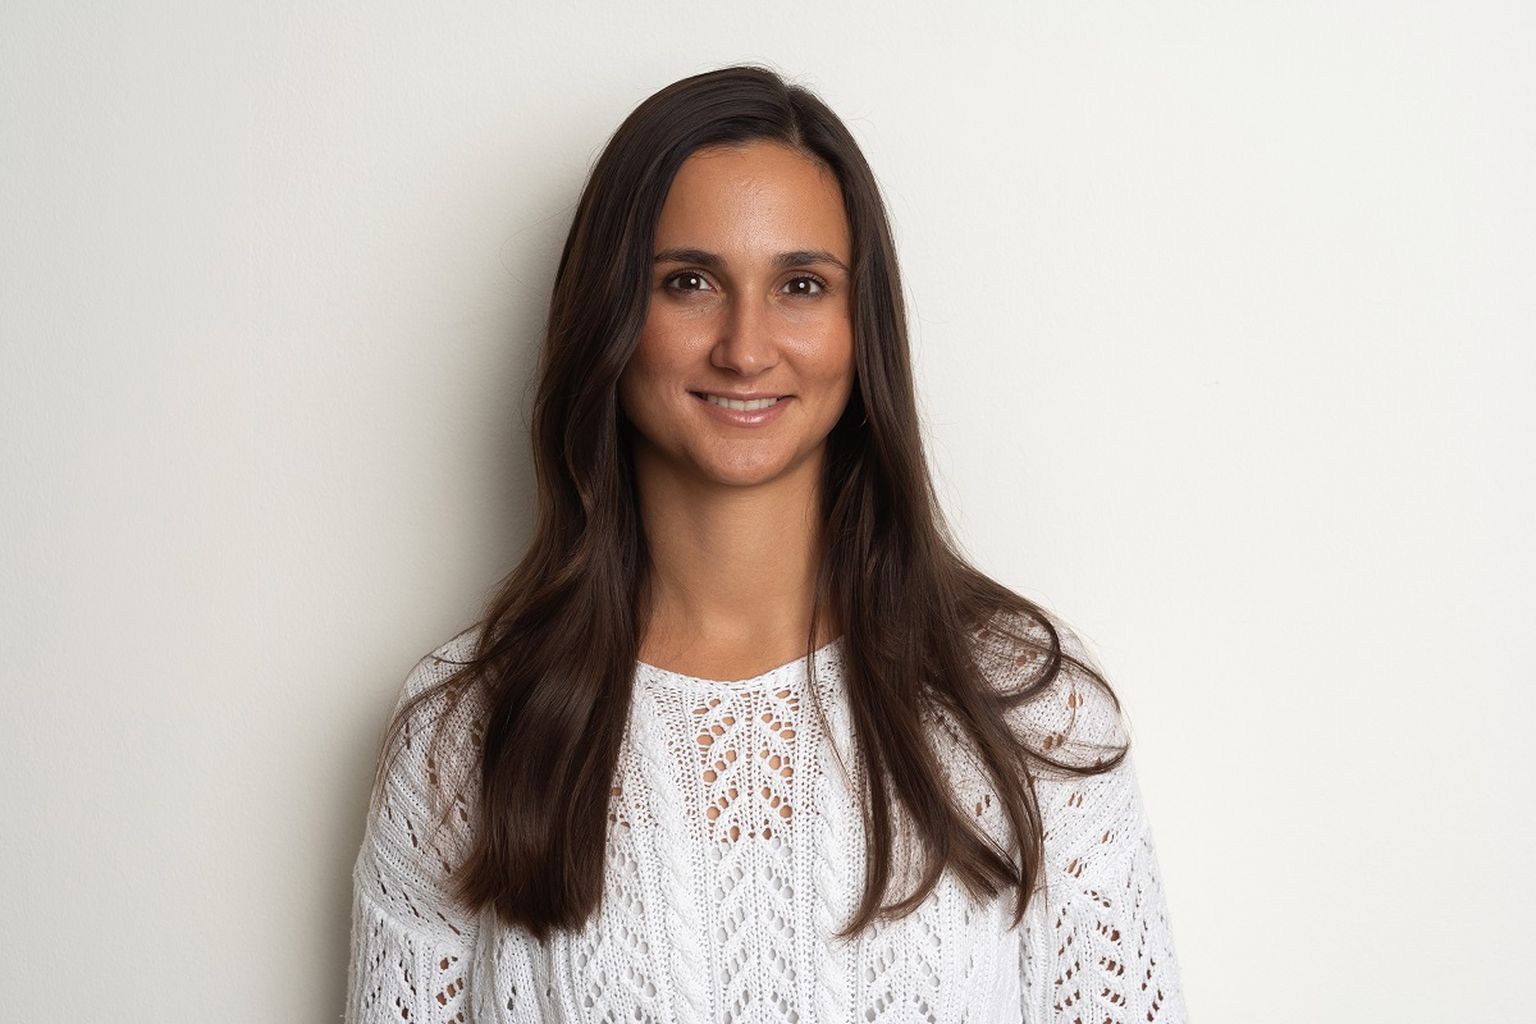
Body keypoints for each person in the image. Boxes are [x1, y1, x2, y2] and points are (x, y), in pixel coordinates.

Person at [344, 63, 1188, 1024]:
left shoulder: (1023, 707)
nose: (745, 348)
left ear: (860, 327)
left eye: (801, 285)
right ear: (611, 314)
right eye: (689, 282)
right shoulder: (467, 732)